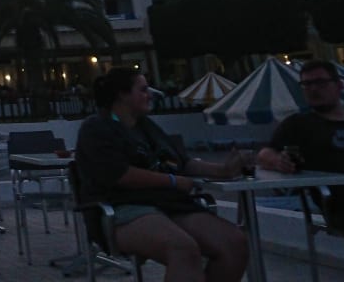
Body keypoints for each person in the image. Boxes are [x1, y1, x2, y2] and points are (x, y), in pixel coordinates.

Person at [75, 68, 247, 282]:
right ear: (122, 94)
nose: (150, 95)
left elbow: (182, 162)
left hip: (168, 205)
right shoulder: (96, 128)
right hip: (122, 208)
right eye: (143, 90)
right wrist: (172, 181)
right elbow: (119, 174)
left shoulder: (146, 126)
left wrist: (223, 170)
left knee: (234, 243)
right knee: (183, 249)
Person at [257, 60, 344, 243]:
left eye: (320, 83)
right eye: (307, 84)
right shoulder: (299, 125)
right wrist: (278, 161)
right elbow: (264, 154)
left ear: (339, 85)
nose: (313, 89)